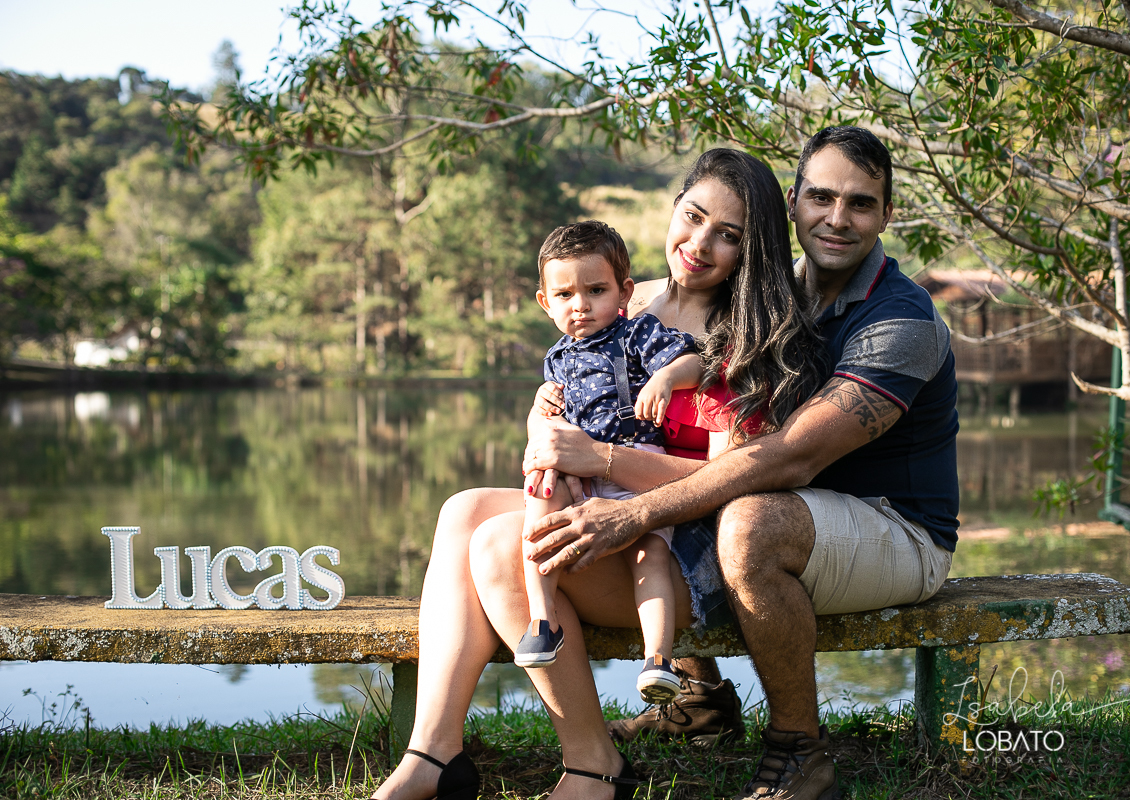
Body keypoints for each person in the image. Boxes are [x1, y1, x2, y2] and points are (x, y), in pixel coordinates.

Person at [369, 148, 826, 800]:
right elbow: (573, 405)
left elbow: (729, 481)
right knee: (463, 509)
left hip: (690, 548)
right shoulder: (627, 304)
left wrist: (601, 459)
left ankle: (593, 767)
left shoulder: (742, 340)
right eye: (693, 217)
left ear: (753, 250)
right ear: (673, 209)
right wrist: (544, 428)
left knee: (504, 546)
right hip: (618, 509)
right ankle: (433, 752)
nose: (699, 244)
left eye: (728, 235)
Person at [526, 126, 959, 800]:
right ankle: (699, 697)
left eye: (861, 204)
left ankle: (798, 750)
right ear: (792, 204)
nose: (837, 218)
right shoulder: (770, 297)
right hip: (803, 514)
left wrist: (634, 509)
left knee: (749, 518)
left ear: (886, 215)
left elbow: (790, 456)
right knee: (711, 495)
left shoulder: (900, 321)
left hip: (896, 527)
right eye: (821, 197)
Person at [514, 220, 704, 709]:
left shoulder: (635, 332)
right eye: (565, 295)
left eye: (595, 291)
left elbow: (696, 362)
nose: (580, 305)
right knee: (541, 504)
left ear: (624, 292)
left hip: (637, 467)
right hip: (578, 475)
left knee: (651, 554)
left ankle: (658, 660)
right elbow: (551, 419)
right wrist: (540, 419)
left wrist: (665, 379)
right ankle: (542, 620)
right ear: (545, 302)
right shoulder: (556, 358)